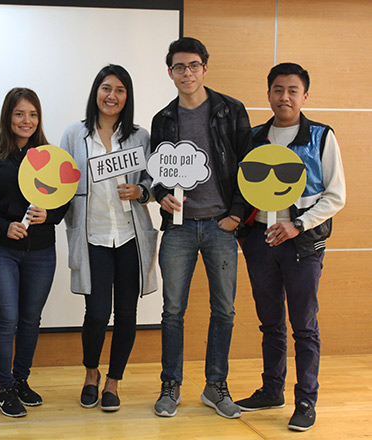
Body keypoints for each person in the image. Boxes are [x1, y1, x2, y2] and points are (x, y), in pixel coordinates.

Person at [234, 63, 346, 432]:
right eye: (278, 90)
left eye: (292, 91)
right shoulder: (253, 137)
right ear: (268, 94)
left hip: (303, 245)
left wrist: (297, 225)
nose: (285, 97)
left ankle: (306, 400)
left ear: (305, 96)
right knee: (270, 323)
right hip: (260, 241)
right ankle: (271, 390)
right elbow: (242, 191)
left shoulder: (321, 136)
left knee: (304, 326)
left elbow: (335, 196)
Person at [150, 37, 252, 419]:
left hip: (220, 226)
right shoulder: (164, 119)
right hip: (177, 228)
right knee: (172, 310)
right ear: (170, 72)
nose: (186, 73)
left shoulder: (230, 110)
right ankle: (170, 385)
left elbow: (249, 166)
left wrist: (237, 214)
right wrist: (161, 194)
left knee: (224, 309)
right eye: (179, 67)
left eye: (193, 65)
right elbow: (157, 173)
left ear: (205, 68)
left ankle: (215, 385)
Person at [60, 65, 158, 412]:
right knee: (98, 314)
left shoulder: (140, 137)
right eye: (105, 88)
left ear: (127, 96)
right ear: (95, 92)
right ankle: (91, 374)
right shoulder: (74, 135)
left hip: (130, 235)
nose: (111, 96)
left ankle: (114, 382)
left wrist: (142, 191)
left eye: (119, 90)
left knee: (127, 315)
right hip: (94, 235)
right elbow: (61, 182)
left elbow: (154, 183)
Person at [0, 88, 67, 417]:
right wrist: (3, 227)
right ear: (7, 117)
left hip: (41, 251)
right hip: (1, 250)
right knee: (6, 320)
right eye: (19, 114)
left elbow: (63, 202)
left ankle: (21, 381)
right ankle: (4, 389)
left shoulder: (50, 156)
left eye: (32, 114)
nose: (26, 120)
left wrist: (50, 215)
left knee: (30, 321)